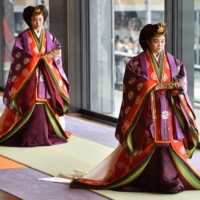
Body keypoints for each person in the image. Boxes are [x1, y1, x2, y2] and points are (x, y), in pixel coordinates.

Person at [70, 23, 200, 193]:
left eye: (162, 41)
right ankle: (145, 178)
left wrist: (176, 87)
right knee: (147, 141)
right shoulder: (137, 63)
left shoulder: (173, 61)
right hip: (148, 112)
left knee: (170, 142)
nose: (160, 45)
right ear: (147, 41)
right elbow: (133, 82)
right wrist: (154, 86)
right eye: (156, 41)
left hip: (168, 110)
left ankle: (170, 177)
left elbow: (181, 79)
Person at [0, 5, 71, 147]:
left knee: (46, 103)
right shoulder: (23, 37)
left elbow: (57, 51)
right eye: (34, 20)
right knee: (29, 103)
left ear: (43, 19)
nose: (38, 22)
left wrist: (49, 57)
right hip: (29, 78)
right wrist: (37, 59)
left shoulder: (49, 37)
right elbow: (18, 55)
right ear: (29, 21)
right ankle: (26, 134)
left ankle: (46, 133)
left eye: (40, 19)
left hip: (45, 76)